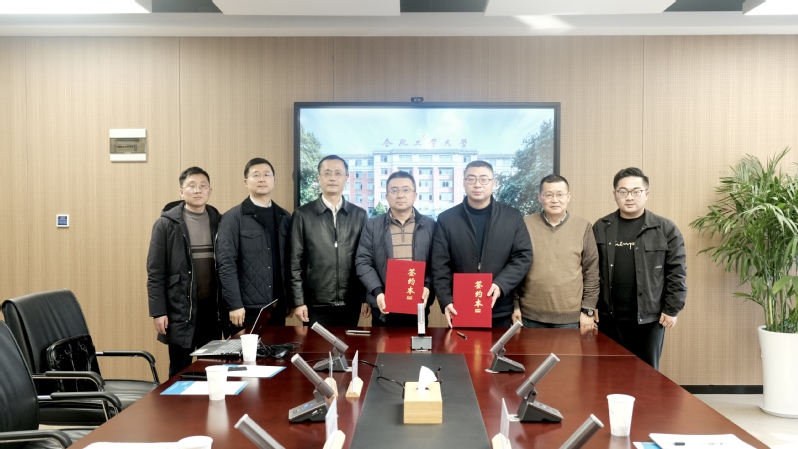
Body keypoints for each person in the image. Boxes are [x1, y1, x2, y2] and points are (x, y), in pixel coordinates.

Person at [593, 167, 687, 370]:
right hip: (608, 318)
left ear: (647, 194)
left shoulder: (665, 229)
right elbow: (591, 271)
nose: (629, 197)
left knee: (646, 375)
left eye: (636, 191)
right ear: (614, 194)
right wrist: (590, 306)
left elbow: (677, 271)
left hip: (649, 319)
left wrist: (672, 309)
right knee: (608, 374)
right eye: (623, 191)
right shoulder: (601, 227)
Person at [431, 160, 533, 328]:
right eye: (471, 179)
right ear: (464, 182)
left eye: (484, 179)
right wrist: (446, 299)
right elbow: (439, 264)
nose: (477, 184)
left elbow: (523, 256)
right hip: (460, 307)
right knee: (461, 346)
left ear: (493, 183)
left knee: (498, 346)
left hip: (499, 306)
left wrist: (501, 284)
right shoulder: (446, 219)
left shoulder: (512, 216)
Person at [147, 167, 222, 377]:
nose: (198, 190)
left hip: (212, 310)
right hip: (180, 310)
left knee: (211, 370)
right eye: (192, 186)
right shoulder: (165, 224)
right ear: (181, 192)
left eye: (203, 186)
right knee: (180, 371)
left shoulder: (220, 221)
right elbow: (155, 272)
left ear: (210, 190)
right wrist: (158, 312)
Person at [289, 155, 369, 327]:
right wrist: (298, 301)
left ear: (346, 178)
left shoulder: (359, 215)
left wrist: (364, 298)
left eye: (338, 173)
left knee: (348, 344)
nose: (332, 178)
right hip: (315, 302)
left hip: (351, 302)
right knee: (316, 345)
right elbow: (294, 262)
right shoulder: (302, 215)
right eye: (327, 173)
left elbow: (365, 260)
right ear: (319, 178)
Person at [514, 175, 600, 330]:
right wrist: (515, 305)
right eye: (548, 195)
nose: (555, 200)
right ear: (539, 197)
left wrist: (588, 309)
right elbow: (514, 264)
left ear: (568, 196)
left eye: (560, 194)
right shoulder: (525, 224)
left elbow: (591, 271)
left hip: (570, 318)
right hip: (529, 315)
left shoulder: (583, 227)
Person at [216, 158, 292, 332]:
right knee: (244, 351)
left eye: (267, 175)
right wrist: (235, 304)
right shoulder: (232, 217)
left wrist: (289, 299)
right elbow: (226, 263)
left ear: (274, 180)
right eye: (256, 175)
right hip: (246, 308)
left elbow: (290, 262)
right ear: (246, 182)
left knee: (276, 349)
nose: (262, 179)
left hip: (277, 305)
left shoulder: (285, 217)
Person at [355, 171, 435, 327]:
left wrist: (427, 286)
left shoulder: (430, 226)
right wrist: (378, 292)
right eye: (394, 190)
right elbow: (363, 262)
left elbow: (437, 263)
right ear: (386, 196)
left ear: (415, 195)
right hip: (383, 305)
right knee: (382, 342)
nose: (400, 195)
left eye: (406, 190)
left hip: (418, 304)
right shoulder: (372, 226)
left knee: (417, 342)